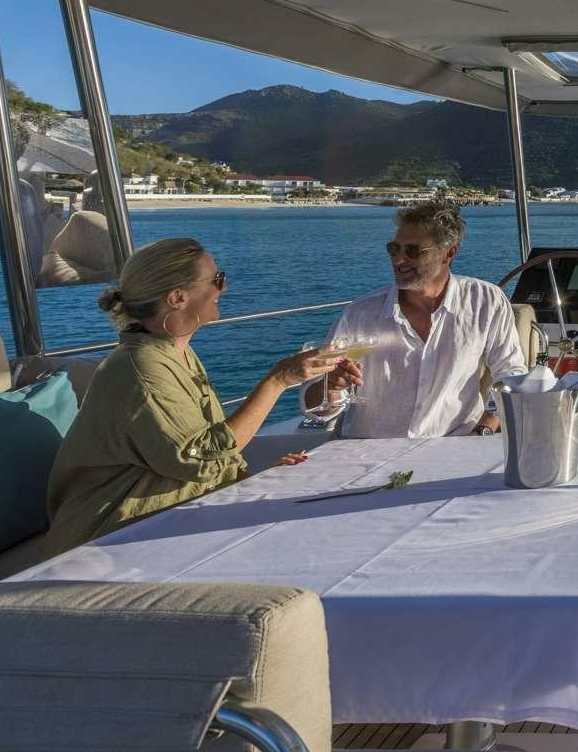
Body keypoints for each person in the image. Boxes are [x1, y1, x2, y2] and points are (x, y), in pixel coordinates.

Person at [42, 237, 355, 556]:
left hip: (161, 519)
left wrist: (251, 478)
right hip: (110, 538)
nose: (224, 288)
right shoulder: (142, 369)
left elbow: (197, 452)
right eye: (217, 280)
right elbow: (199, 460)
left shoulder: (175, 354)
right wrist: (279, 379)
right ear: (177, 297)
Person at [311, 199, 526, 437]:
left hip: (453, 448)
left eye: (412, 251)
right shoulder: (360, 314)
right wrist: (329, 388)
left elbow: (511, 375)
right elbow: (318, 408)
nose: (398, 259)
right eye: (394, 249)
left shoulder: (486, 301)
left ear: (449, 253)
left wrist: (485, 427)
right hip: (370, 454)